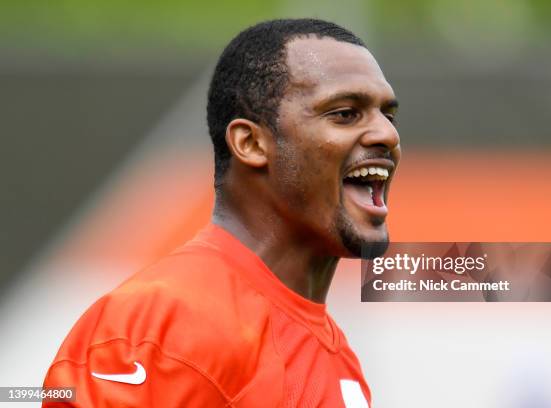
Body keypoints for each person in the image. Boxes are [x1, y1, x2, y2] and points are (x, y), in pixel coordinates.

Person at [43, 18, 400, 407]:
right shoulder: (165, 321)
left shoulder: (338, 358)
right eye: (345, 113)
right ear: (250, 143)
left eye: (389, 115)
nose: (387, 134)